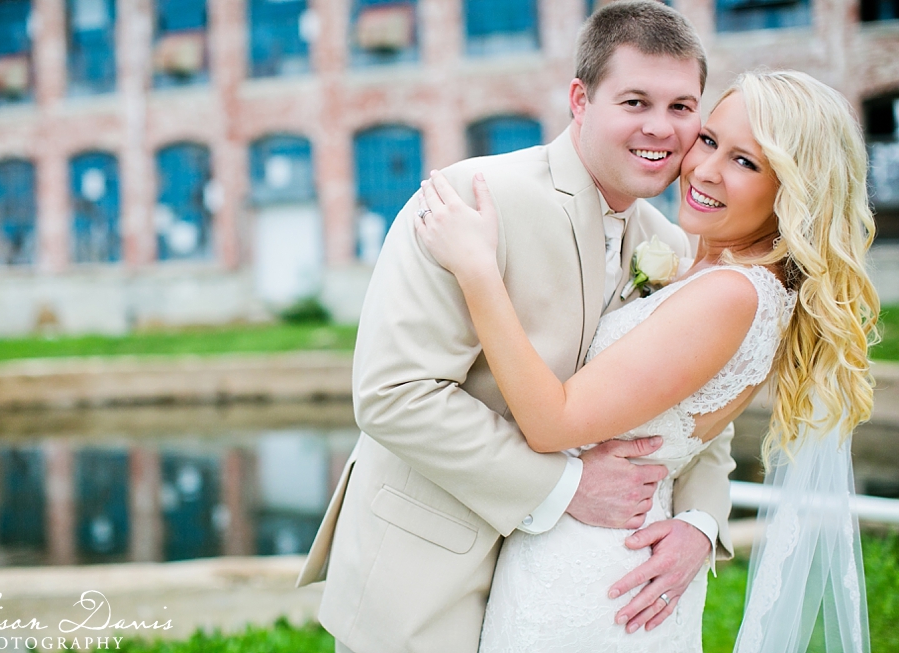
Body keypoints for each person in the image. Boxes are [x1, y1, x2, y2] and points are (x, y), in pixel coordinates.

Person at [297, 3, 736, 652]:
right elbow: (395, 393)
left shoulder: (669, 245)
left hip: (576, 595)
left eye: (681, 107)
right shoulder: (467, 200)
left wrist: (700, 521)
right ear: (579, 100)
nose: (661, 129)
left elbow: (701, 404)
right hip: (427, 582)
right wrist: (567, 486)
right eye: (636, 101)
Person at [415, 70, 877, 651]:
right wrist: (700, 523)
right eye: (708, 141)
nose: (705, 170)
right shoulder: (724, 276)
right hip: (614, 555)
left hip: (596, 576)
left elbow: (551, 422)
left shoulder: (732, 295)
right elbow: (695, 435)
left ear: (794, 189)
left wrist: (477, 270)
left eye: (746, 162)